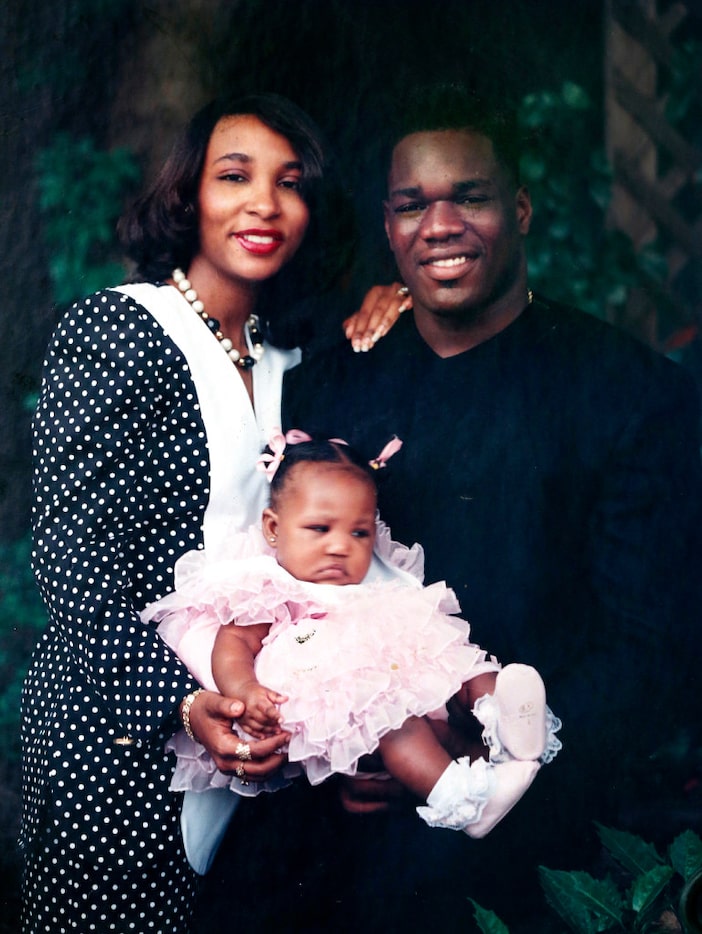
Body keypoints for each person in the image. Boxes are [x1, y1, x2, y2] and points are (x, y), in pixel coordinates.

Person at [270, 85, 702, 930]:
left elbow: (655, 646)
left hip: (546, 833)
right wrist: (340, 746)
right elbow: (285, 597)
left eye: (469, 196)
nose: (439, 226)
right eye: (411, 204)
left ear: (523, 207)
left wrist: (488, 754)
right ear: (388, 226)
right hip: (342, 843)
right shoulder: (330, 388)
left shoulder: (629, 392)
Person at [21, 91, 405, 932]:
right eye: (235, 176)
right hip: (121, 755)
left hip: (263, 764)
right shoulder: (117, 331)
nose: (265, 203)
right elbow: (70, 558)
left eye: (290, 182)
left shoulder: (294, 362)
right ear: (188, 194)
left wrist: (396, 294)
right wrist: (180, 703)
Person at [142, 433, 561, 872]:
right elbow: (234, 643)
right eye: (319, 529)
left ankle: (508, 720)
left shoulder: (375, 583)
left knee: (462, 669)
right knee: (398, 727)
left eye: (359, 532)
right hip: (338, 694)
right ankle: (465, 802)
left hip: (396, 668)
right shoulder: (273, 584)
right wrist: (244, 689)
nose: (341, 546)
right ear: (273, 527)